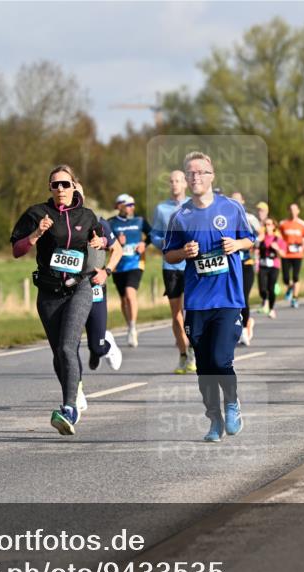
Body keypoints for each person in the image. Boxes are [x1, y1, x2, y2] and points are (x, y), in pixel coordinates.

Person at [163, 151, 255, 442]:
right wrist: (183, 252)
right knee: (203, 368)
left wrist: (236, 244)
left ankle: (232, 403)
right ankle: (214, 420)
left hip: (228, 299)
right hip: (197, 302)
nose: (195, 177)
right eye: (190, 173)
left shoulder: (231, 208)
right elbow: (168, 253)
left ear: (211, 176)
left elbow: (250, 239)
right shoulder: (181, 216)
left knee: (220, 360)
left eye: (200, 172)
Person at [11, 165, 106, 436]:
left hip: (79, 288)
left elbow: (101, 240)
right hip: (48, 293)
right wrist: (36, 234)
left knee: (67, 347)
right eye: (55, 185)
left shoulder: (86, 215)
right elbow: (17, 250)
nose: (61, 189)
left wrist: (100, 245)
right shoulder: (36, 213)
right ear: (50, 188)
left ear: (74, 186)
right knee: (59, 353)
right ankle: (74, 390)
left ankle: (69, 408)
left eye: (65, 184)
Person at [151, 170, 194, 374]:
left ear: (185, 183)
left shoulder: (193, 206)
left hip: (191, 266)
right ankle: (183, 354)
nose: (174, 184)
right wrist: (165, 243)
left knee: (192, 312)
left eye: (178, 181)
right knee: (177, 315)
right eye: (171, 181)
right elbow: (154, 235)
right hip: (170, 267)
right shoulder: (162, 209)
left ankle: (193, 351)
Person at [82, 192, 124, 374]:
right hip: (69, 287)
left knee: (97, 344)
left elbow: (117, 250)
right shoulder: (58, 222)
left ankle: (103, 347)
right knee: (67, 343)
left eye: (77, 193)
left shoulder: (98, 221)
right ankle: (74, 387)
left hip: (94, 285)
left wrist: (106, 272)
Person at [109, 194, 150, 347]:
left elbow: (152, 234)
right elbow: (104, 242)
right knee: (123, 299)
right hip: (118, 265)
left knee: (130, 293)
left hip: (136, 263)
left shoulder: (139, 220)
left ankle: (133, 328)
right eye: (128, 205)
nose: (132, 207)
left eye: (133, 204)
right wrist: (116, 243)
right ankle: (129, 325)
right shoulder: (111, 223)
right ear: (119, 206)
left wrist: (144, 244)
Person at [231, 192, 262, 345]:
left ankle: (244, 330)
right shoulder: (225, 218)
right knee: (232, 299)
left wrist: (247, 242)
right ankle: (237, 327)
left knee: (243, 297)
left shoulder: (250, 218)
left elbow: (258, 237)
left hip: (246, 263)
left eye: (238, 200)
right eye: (232, 200)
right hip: (231, 265)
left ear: (242, 201)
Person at [278, 203, 304, 308]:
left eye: (295, 209)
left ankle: (295, 298)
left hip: (297, 254)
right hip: (286, 254)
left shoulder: (303, 224)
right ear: (289, 211)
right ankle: (290, 287)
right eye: (291, 209)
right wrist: (280, 249)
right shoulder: (283, 223)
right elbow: (279, 238)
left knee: (296, 276)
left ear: (298, 211)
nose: (293, 211)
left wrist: (303, 246)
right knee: (286, 278)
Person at [256, 216, 285, 318]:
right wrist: (257, 241)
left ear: (273, 226)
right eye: (265, 225)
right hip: (262, 265)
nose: (267, 226)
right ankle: (265, 300)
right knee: (262, 288)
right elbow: (254, 249)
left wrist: (277, 248)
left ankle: (271, 309)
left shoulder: (278, 239)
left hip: (274, 266)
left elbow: (283, 254)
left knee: (271, 288)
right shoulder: (261, 238)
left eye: (269, 224)